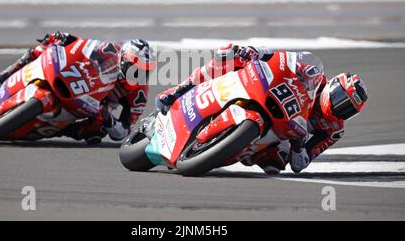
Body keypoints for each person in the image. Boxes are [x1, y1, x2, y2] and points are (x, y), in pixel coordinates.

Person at [155, 44, 368, 174]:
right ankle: (177, 91)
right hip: (272, 97)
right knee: (228, 57)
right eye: (341, 99)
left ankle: (227, 150)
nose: (340, 107)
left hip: (285, 132)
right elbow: (283, 59)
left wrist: (299, 145)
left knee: (275, 165)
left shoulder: (334, 129)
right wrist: (256, 53)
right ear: (333, 85)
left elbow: (300, 164)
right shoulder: (314, 73)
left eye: (348, 109)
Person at [0, 32, 156, 144]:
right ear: (123, 60)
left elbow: (123, 132)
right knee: (47, 43)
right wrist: (63, 37)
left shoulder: (138, 95)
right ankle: (14, 68)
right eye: (135, 68)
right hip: (84, 83)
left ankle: (61, 131)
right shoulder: (109, 50)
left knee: (96, 130)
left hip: (96, 106)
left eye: (144, 71)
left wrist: (108, 117)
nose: (138, 74)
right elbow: (82, 45)